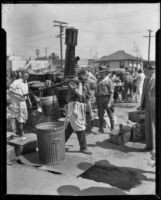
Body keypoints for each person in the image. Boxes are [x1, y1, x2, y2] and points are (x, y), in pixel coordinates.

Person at [65, 68, 92, 155]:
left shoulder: (85, 84)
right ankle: (83, 147)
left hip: (80, 106)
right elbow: (79, 93)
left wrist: (90, 111)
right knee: (80, 126)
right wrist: (79, 83)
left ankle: (60, 144)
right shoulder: (73, 82)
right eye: (87, 75)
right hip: (73, 106)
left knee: (71, 126)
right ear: (82, 75)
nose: (88, 77)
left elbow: (87, 99)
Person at [9, 71, 31, 137]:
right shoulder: (16, 82)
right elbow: (10, 89)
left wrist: (29, 101)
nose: (26, 77)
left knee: (24, 117)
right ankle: (20, 133)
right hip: (17, 103)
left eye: (27, 76)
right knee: (19, 118)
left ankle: (20, 132)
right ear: (22, 75)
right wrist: (18, 94)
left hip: (23, 102)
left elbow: (27, 93)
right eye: (25, 76)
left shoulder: (26, 82)